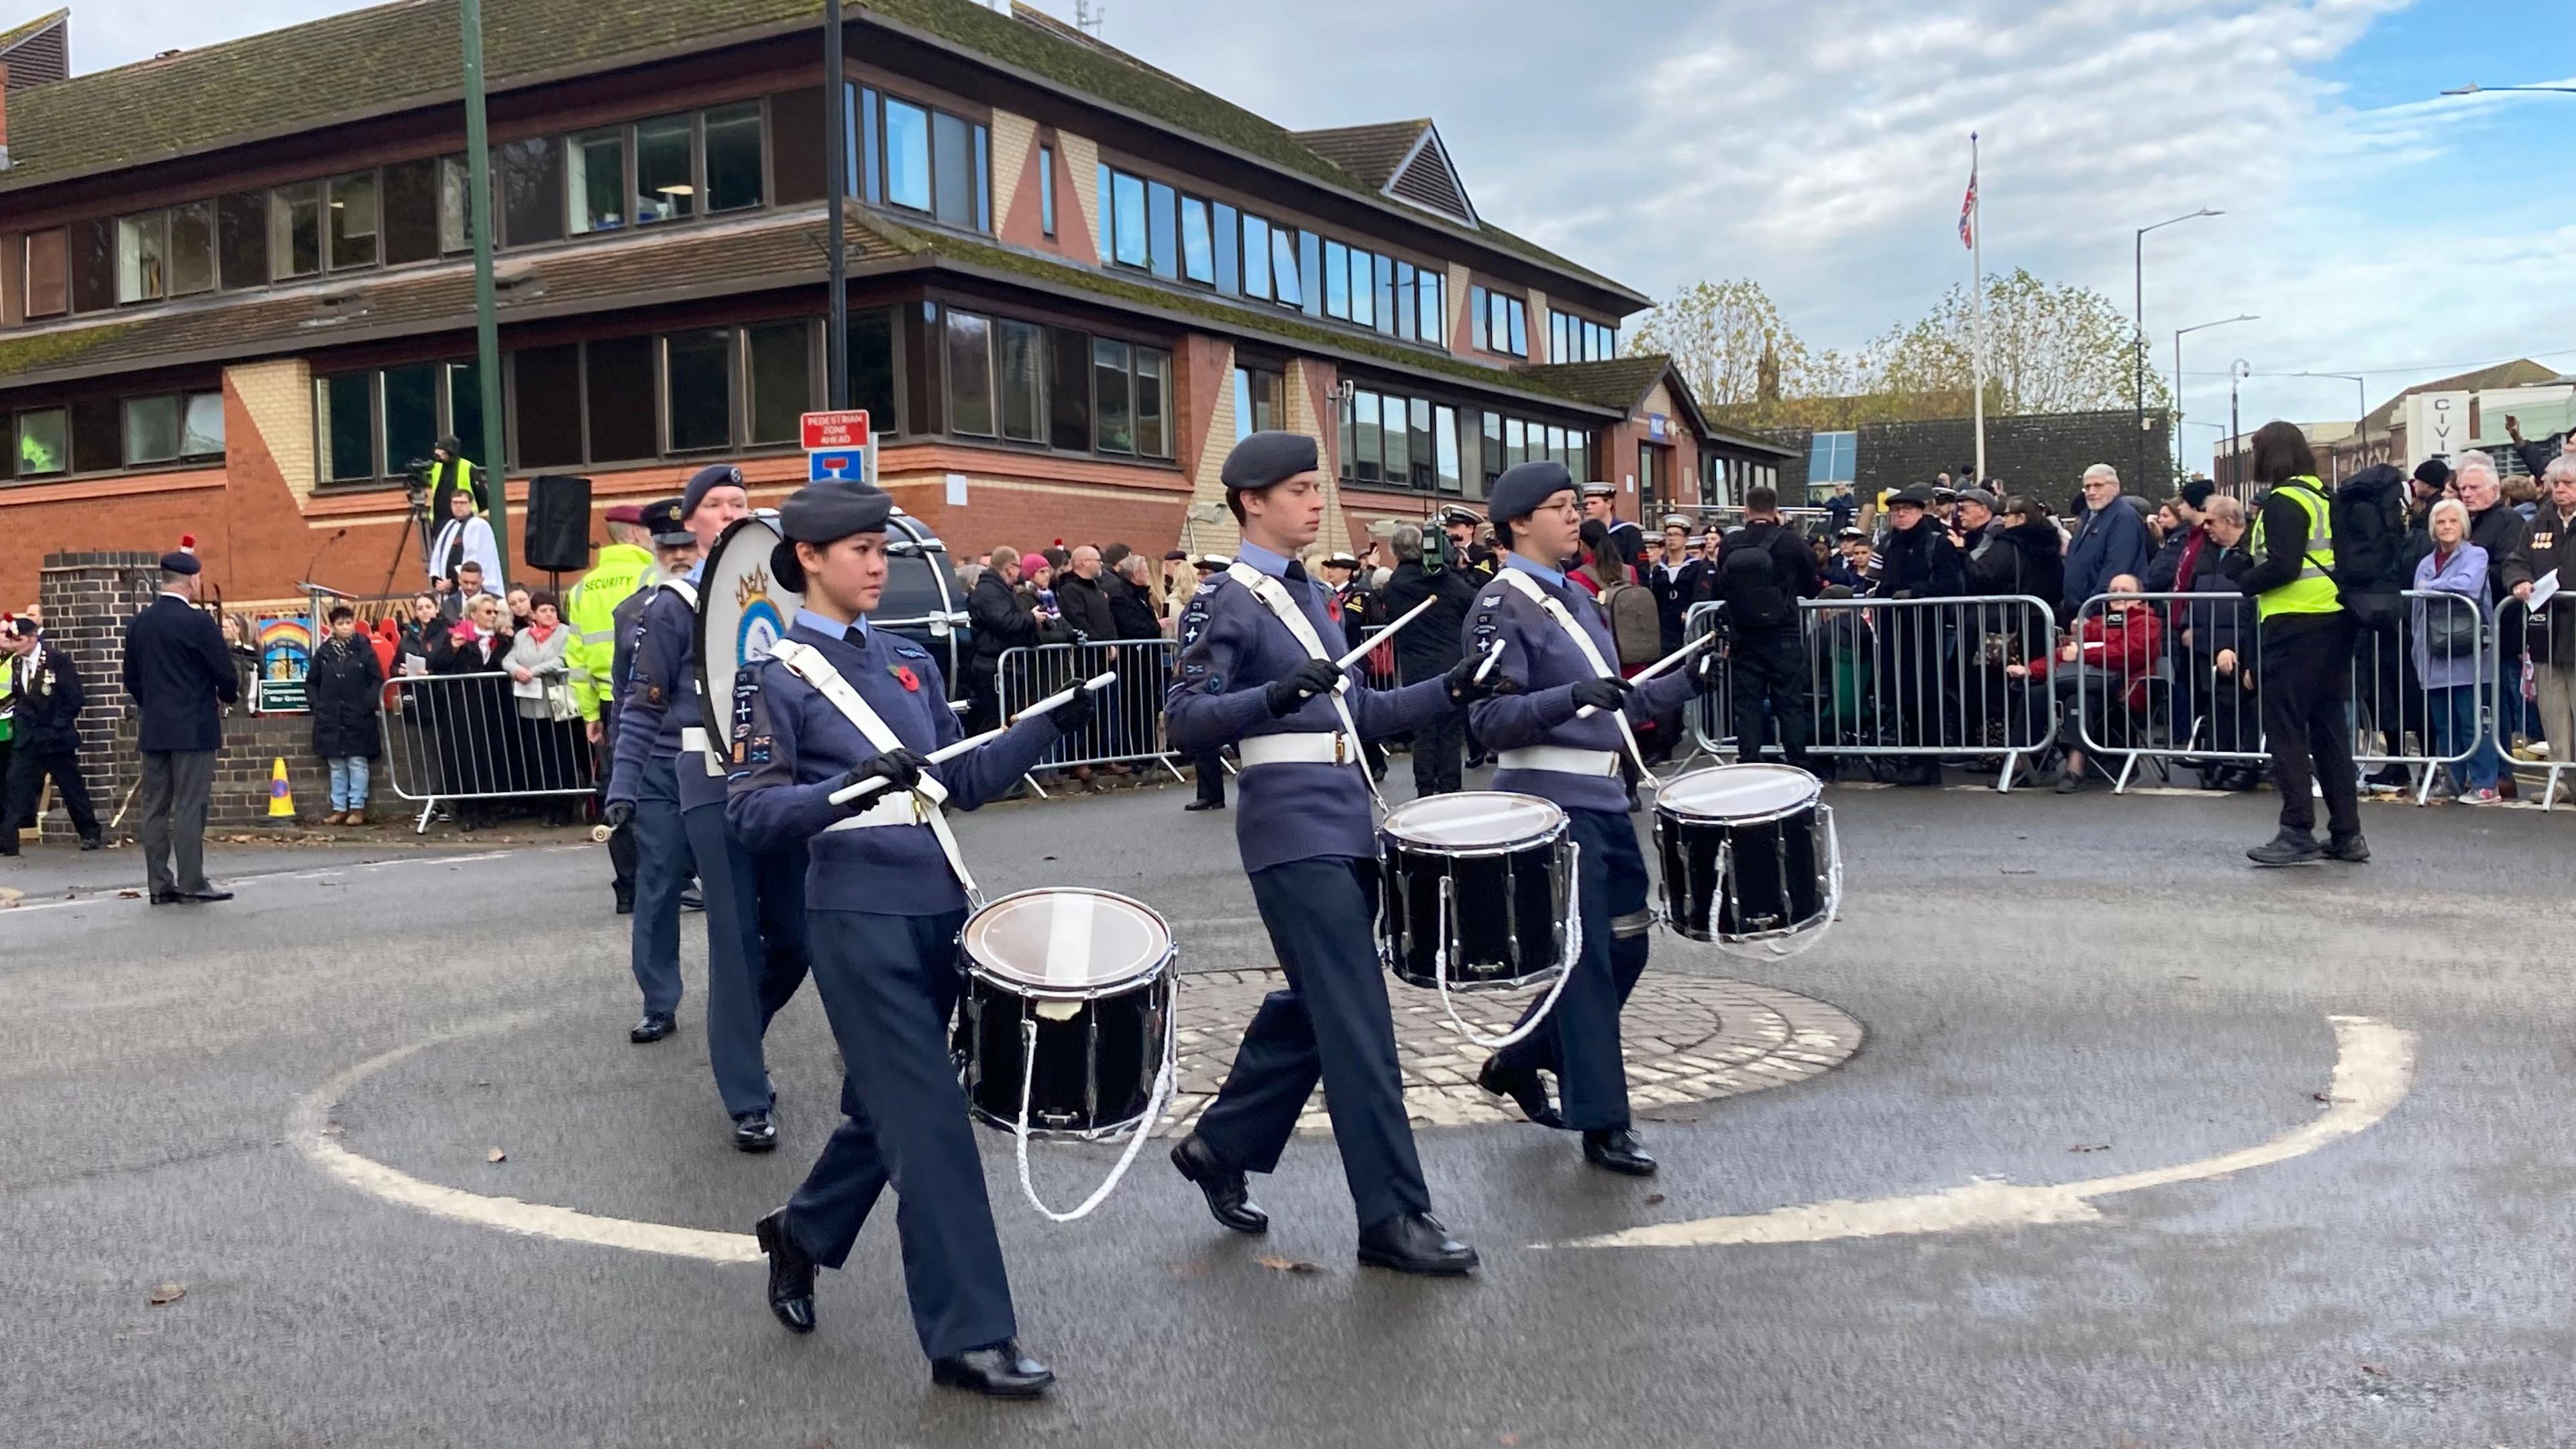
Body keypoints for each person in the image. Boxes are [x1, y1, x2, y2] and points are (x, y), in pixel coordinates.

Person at [729, 482, 1088, 1399]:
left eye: (881, 548)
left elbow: (957, 784)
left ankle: (803, 1232)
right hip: (855, 917)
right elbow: (756, 815)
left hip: (941, 904)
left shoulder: (908, 663)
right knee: (930, 1126)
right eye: (857, 549)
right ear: (807, 559)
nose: (877, 562)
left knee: (887, 1110)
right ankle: (968, 1336)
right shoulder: (772, 674)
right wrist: (848, 788)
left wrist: (1049, 726)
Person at [1161, 431, 1500, 1276]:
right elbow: (1185, 719)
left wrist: (1450, 689)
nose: (1319, 501)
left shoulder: (1312, 596)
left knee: (1321, 1005)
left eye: (1319, 487)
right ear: (1252, 502)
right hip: (1289, 828)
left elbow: (1360, 716)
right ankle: (1392, 1217)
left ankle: (1220, 1143)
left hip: (1348, 816)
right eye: (1303, 489)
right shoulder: (1226, 599)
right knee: (1358, 1021)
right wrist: (1271, 695)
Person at [1464, 460, 1719, 1174]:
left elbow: (1614, 704)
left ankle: (1518, 1056)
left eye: (1576, 505)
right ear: (1518, 522)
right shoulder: (1500, 602)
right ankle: (1603, 1121)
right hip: (1553, 803)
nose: (1575, 516)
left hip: (1607, 798)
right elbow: (1488, 720)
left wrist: (1682, 683)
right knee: (1589, 962)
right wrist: (1570, 696)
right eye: (1558, 506)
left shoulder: (1576, 599)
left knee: (1628, 946)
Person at [605, 466, 811, 1155]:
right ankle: (747, 1095)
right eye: (716, 505)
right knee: (731, 937)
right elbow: (644, 704)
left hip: (782, 777)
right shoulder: (671, 605)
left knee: (794, 936)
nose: (730, 512)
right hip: (709, 778)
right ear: (690, 522)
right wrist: (624, 787)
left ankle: (736, 1038)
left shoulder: (787, 592)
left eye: (740, 503)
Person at [2237, 421, 2365, 865]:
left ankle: (2296, 829)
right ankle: (2347, 833)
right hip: (2333, 619)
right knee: (2329, 729)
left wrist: (2245, 581)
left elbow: (2285, 567)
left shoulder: (2284, 500)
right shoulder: (2322, 494)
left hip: (2295, 623)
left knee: (2286, 728)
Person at [121, 541, 238, 902]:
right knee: (189, 805)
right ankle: (192, 881)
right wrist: (226, 696)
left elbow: (131, 678)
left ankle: (159, 885)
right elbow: (225, 673)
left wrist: (152, 705)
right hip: (194, 727)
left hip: (155, 728)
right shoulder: (198, 622)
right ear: (192, 581)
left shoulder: (141, 622)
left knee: (155, 808)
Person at [567, 504, 662, 910]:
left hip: (609, 703)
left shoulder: (582, 589)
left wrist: (590, 715)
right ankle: (667, 881)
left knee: (618, 792)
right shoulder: (653, 576)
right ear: (638, 535)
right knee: (662, 790)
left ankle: (628, 888)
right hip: (655, 700)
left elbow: (577, 659)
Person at [1717, 484, 1821, 769]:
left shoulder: (1730, 543)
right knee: (1789, 702)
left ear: (1746, 511)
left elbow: (1722, 585)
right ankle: (1798, 763)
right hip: (1783, 631)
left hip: (1743, 634)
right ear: (1776, 511)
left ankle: (1750, 762)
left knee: (1747, 703)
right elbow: (1811, 584)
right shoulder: (1792, 542)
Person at [2327, 464, 2416, 792]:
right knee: (2397, 693)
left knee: (2384, 694)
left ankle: (2398, 763)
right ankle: (2401, 764)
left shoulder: (2355, 512)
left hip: (2365, 610)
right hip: (2389, 613)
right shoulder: (2389, 521)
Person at [1376, 524, 1482, 796]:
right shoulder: (1447, 582)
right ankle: (1449, 789)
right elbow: (1471, 600)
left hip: (1414, 668)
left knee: (1423, 732)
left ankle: (1424, 790)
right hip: (1451, 664)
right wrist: (1455, 569)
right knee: (1449, 733)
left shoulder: (1393, 587)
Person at [1874, 484, 1965, 784]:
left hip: (1926, 629)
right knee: (1903, 697)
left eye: (1907, 510)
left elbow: (1953, 584)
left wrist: (1917, 592)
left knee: (1925, 696)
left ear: (1920, 512)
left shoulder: (1936, 543)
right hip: (1894, 627)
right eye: (1895, 510)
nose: (1900, 515)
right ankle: (1913, 758)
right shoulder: (1889, 544)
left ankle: (1926, 763)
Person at [2037, 576, 2161, 793]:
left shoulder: (2147, 622)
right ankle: (2023, 763)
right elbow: (2064, 655)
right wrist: (2031, 669)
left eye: (2125, 591)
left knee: (2078, 700)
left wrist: (2083, 653)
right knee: (2036, 694)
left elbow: (2129, 654)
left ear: (2139, 598)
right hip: (2087, 683)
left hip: (2125, 689)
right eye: (2113, 589)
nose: (2118, 594)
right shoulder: (2099, 621)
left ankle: (2075, 767)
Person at [2414, 499, 2501, 801]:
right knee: (2445, 725)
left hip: (2469, 652)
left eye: (2453, 521)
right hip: (2435, 653)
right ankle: (2453, 781)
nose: (2447, 527)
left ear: (2463, 526)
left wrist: (2433, 585)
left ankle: (2485, 784)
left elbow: (2468, 585)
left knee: (2473, 723)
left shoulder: (2476, 554)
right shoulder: (2426, 562)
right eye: (2441, 522)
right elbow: (2417, 608)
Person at [2502, 456, 2576, 802]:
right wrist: (2519, 580)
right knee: (2553, 713)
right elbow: (2516, 560)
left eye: (2568, 484)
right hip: (2545, 632)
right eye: (2556, 484)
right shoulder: (2538, 523)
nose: (2559, 490)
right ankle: (2561, 780)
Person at [2457, 452, 2535, 777]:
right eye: (2463, 488)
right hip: (2465, 631)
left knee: (2497, 704)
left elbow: (2506, 568)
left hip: (2501, 628)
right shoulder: (2464, 520)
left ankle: (2502, 774)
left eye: (2474, 488)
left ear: (2494, 490)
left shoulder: (2509, 522)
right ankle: (2477, 771)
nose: (2467, 494)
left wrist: (2467, 574)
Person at [1, 617, 100, 853]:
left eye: (20, 639)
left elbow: (74, 698)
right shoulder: (15, 663)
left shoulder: (57, 661)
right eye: (13, 640)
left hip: (55, 737)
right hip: (29, 737)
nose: (16, 645)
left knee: (71, 786)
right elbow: (19, 695)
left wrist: (56, 725)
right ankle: (7, 841)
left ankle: (90, 833)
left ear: (34, 637)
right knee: (17, 786)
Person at [506, 590, 581, 822]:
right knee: (540, 755)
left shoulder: (565, 633)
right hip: (532, 701)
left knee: (562, 754)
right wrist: (515, 670)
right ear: (534, 614)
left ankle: (565, 808)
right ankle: (547, 806)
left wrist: (532, 672)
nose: (549, 614)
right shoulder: (522, 636)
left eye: (552, 610)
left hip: (559, 699)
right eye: (544, 610)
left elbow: (562, 659)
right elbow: (510, 658)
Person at [305, 606, 384, 827]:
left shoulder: (364, 651)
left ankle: (357, 807)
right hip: (331, 716)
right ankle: (339, 808)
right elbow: (312, 682)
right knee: (337, 764)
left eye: (349, 622)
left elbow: (376, 679)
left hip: (358, 715)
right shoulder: (323, 654)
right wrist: (317, 705)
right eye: (341, 624)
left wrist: (367, 704)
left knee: (357, 762)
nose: (346, 627)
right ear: (333, 627)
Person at [965, 545, 1040, 736]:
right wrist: (1031, 618)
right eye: (1018, 566)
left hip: (1004, 664)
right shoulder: (990, 591)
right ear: (1008, 567)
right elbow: (1003, 622)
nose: (1020, 572)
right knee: (994, 723)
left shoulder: (1000, 590)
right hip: (994, 667)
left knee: (1006, 719)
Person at [2061, 464, 2151, 622]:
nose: (2091, 492)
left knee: (2113, 643)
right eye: (2087, 487)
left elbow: (2116, 567)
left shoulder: (2124, 519)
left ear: (2115, 488)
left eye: (2098, 486)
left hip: (2108, 611)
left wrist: (2089, 611)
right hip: (2084, 610)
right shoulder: (2088, 516)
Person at [1180, 553, 1234, 812]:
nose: (1202, 578)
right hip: (1203, 671)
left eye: (1206, 573)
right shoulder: (1201, 599)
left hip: (1230, 672)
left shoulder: (1231, 600)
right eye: (1200, 574)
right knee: (1204, 731)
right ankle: (1210, 792)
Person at [1648, 515, 1711, 655]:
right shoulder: (1660, 569)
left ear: (1686, 539)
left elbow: (1701, 594)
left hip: (1686, 626)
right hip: (1665, 629)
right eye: (1669, 535)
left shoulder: (1697, 567)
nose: (1672, 538)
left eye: (1677, 534)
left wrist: (1689, 611)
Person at [429, 487, 503, 602]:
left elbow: (474, 559)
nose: (458, 506)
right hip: (447, 592)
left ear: (471, 504)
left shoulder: (478, 526)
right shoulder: (450, 525)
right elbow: (438, 555)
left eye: (463, 503)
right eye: (455, 503)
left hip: (466, 589)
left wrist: (453, 581)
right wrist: (437, 579)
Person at [1053, 543, 1118, 643]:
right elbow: (1078, 621)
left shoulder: (1097, 588)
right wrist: (1099, 644)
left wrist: (1113, 641)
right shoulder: (1070, 590)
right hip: (1087, 650)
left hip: (1105, 648)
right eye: (1098, 560)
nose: (1101, 564)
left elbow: (1108, 617)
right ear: (1086, 562)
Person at [1582, 482, 1646, 570]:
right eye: (1586, 504)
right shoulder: (1582, 534)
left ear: (1609, 504)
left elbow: (1641, 567)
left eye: (1594, 503)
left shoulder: (1630, 533)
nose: (1588, 507)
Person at [424, 435, 486, 522]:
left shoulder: (468, 468)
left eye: (443, 453)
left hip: (464, 521)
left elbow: (483, 499)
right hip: (439, 523)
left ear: (451, 452)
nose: (439, 456)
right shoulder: (436, 468)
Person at [2502, 414, 2576, 484]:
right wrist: (2516, 436)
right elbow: (2536, 459)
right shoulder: (2555, 469)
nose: (2565, 447)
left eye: (2571, 444)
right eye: (2556, 483)